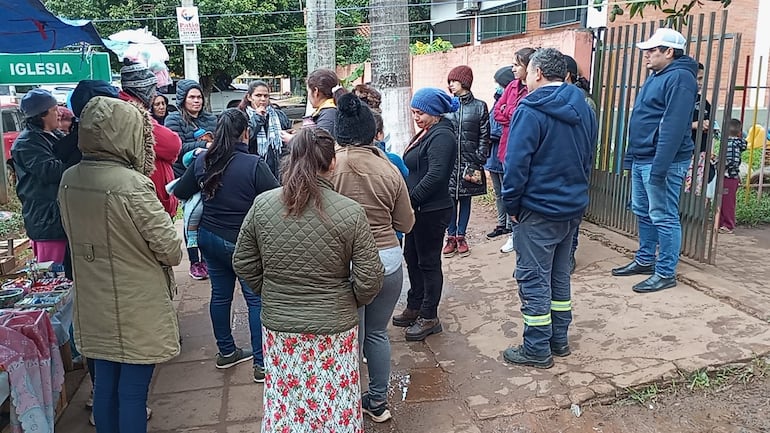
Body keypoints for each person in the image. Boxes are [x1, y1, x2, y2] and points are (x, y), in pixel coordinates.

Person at [232, 128, 384, 433]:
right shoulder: (351, 212)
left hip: (280, 326)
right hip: (334, 327)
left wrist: (272, 291)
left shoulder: (263, 204)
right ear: (332, 164)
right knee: (336, 403)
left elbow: (243, 261)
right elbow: (370, 277)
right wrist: (347, 299)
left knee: (286, 402)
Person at [59, 96, 182, 433]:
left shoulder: (70, 178)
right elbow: (170, 250)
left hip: (93, 299)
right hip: (136, 303)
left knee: (106, 387)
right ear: (128, 133)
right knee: (132, 393)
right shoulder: (132, 185)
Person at [501, 48, 597, 369]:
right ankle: (559, 339)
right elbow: (588, 156)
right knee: (558, 276)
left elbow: (515, 166)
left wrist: (511, 206)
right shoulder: (583, 106)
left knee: (533, 278)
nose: (525, 78)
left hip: (537, 211)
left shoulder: (529, 110)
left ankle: (537, 348)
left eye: (527, 72)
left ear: (538, 73)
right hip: (571, 208)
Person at [173, 109, 279, 382]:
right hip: (242, 242)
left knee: (221, 296)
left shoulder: (203, 160)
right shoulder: (254, 164)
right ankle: (262, 364)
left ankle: (227, 352)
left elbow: (181, 191)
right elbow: (277, 201)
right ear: (246, 132)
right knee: (255, 299)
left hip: (208, 237)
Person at [331, 93, 415, 423]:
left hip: (345, 263)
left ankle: (345, 401)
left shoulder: (330, 168)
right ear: (372, 132)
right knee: (377, 334)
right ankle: (378, 402)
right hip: (387, 261)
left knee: (351, 336)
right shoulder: (389, 168)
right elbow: (406, 223)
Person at [611, 28, 698, 293]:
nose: (646, 55)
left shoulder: (681, 78)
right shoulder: (657, 75)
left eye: (652, 50)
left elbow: (672, 125)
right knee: (643, 210)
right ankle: (646, 260)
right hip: (643, 157)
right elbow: (641, 117)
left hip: (663, 161)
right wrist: (631, 158)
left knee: (663, 216)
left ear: (669, 52)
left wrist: (659, 168)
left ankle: (665, 272)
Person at [392, 88, 458, 341]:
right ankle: (415, 305)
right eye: (413, 113)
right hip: (419, 210)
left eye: (420, 113)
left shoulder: (442, 136)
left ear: (434, 112)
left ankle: (429, 316)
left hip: (432, 210)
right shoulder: (428, 132)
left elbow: (436, 176)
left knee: (429, 262)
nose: (416, 117)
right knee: (412, 256)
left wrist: (410, 201)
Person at [165, 79, 217, 280]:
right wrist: (201, 145)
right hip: (185, 176)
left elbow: (218, 140)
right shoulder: (174, 119)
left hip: (208, 174)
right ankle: (195, 261)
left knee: (208, 217)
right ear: (183, 99)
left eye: (199, 97)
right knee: (191, 217)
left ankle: (209, 258)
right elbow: (175, 148)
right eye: (192, 97)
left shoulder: (211, 119)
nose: (197, 101)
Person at [119, 60, 183, 218]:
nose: (154, 94)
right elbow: (172, 145)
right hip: (148, 206)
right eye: (152, 89)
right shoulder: (132, 113)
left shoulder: (130, 109)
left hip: (150, 200)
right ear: (141, 89)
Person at [11, 89, 68, 264]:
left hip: (61, 217)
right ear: (42, 115)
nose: (59, 113)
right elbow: (52, 171)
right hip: (47, 221)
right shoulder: (26, 144)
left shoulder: (53, 135)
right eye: (54, 109)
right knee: (55, 276)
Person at [442, 65, 490, 258]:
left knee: (465, 199)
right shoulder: (447, 105)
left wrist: (480, 156)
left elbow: (484, 134)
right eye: (449, 82)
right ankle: (451, 236)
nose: (451, 85)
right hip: (450, 162)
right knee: (450, 199)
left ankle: (461, 235)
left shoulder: (479, 106)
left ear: (465, 82)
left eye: (454, 81)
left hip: (470, 163)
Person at [495, 47, 535, 254]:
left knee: (524, 195)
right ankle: (513, 233)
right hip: (506, 148)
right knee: (508, 194)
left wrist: (508, 112)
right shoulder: (511, 86)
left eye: (517, 64)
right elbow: (497, 112)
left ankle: (523, 236)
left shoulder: (534, 89)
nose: (512, 69)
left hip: (524, 150)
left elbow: (522, 114)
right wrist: (511, 112)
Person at [563, 55, 597, 273]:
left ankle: (570, 253)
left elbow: (589, 136)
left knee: (573, 212)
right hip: (564, 162)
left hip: (576, 163)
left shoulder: (583, 100)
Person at [485, 65, 515, 240]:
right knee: (498, 193)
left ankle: (511, 224)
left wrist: (488, 135)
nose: (497, 87)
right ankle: (501, 223)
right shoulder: (497, 101)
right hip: (493, 156)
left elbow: (499, 128)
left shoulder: (509, 102)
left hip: (503, 155)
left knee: (506, 191)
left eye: (499, 84)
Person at [238, 80, 288, 180]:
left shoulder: (278, 115)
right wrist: (258, 117)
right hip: (253, 167)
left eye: (266, 96)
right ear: (249, 97)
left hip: (277, 168)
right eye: (258, 95)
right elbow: (245, 139)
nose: (263, 99)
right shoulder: (241, 116)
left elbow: (284, 144)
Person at [684, 62, 716, 197]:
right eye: (697, 78)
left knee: (697, 193)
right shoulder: (678, 99)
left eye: (702, 78)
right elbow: (666, 125)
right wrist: (694, 125)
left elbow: (713, 123)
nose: (700, 82)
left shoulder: (703, 102)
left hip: (701, 154)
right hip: (683, 154)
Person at [719, 119, 747, 234]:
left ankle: (728, 224)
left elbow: (731, 161)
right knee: (724, 200)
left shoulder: (730, 144)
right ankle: (721, 222)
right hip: (728, 176)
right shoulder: (732, 143)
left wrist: (718, 164)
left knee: (727, 202)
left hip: (729, 176)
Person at [304, 68, 341, 137]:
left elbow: (320, 144)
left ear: (315, 91)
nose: (308, 96)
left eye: (308, 91)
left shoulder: (329, 114)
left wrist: (292, 140)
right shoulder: (331, 110)